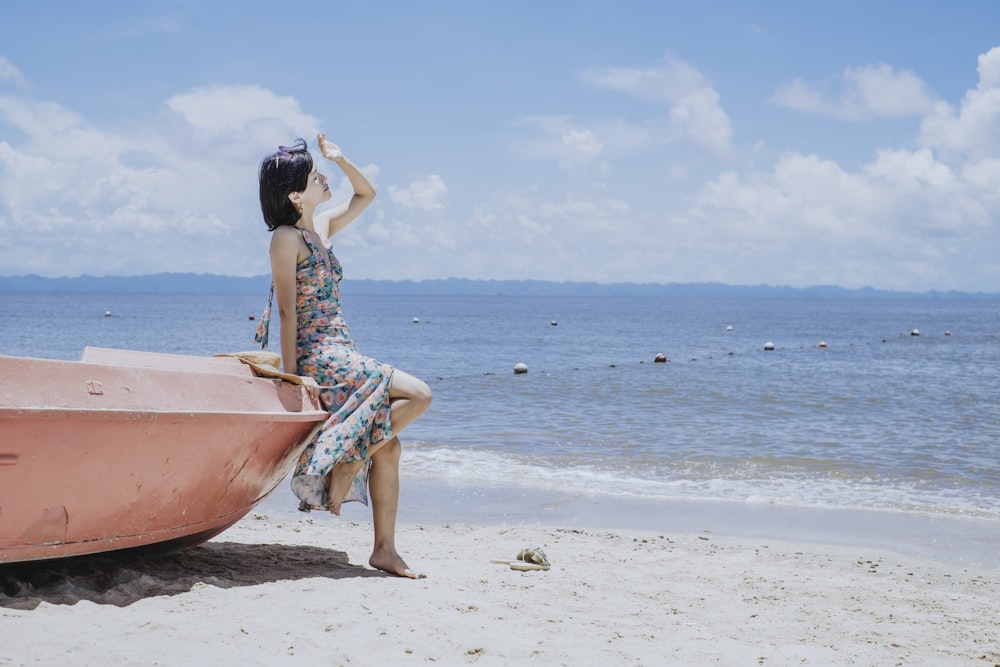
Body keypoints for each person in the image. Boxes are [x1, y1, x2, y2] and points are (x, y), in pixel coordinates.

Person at [256, 133, 431, 578]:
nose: (323, 176)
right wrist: (295, 379)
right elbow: (287, 311)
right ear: (295, 194)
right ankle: (349, 461)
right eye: (313, 174)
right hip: (319, 357)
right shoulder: (285, 239)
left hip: (343, 349)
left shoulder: (323, 228)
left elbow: (367, 193)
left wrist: (341, 156)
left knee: (390, 446)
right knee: (420, 394)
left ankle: (384, 550)